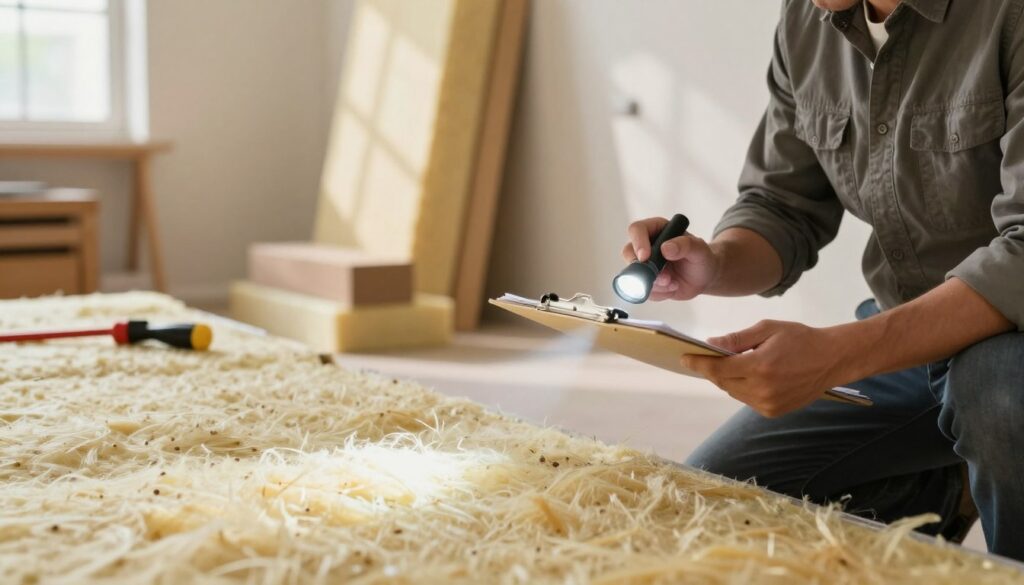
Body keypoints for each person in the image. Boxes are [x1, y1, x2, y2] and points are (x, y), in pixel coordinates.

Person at [621, 0, 1024, 560]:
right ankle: (945, 484)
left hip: (1008, 350)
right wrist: (713, 263)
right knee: (718, 499)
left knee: (998, 396)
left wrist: (839, 355)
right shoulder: (806, 21)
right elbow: (781, 204)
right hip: (903, 342)